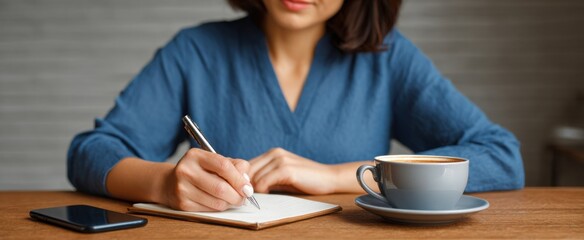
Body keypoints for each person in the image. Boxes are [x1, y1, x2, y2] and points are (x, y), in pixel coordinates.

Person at [67, 0, 524, 212]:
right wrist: (164, 184)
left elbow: (501, 157)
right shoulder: (195, 52)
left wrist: (336, 176)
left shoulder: (387, 57)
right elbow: (90, 152)